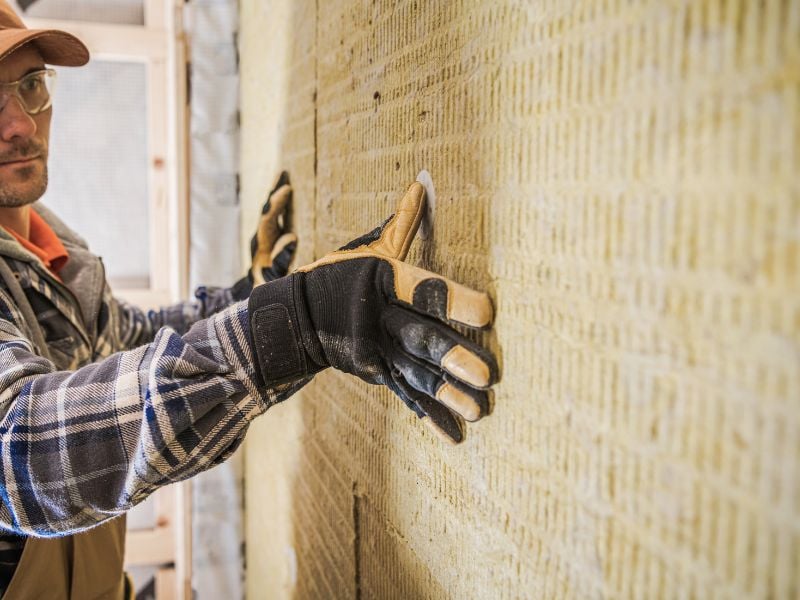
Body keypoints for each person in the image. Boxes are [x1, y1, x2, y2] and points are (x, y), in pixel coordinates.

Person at [0, 1, 498, 597]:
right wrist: (294, 323)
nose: (21, 123)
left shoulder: (53, 249)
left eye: (31, 84)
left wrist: (259, 293)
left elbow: (127, 339)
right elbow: (21, 454)